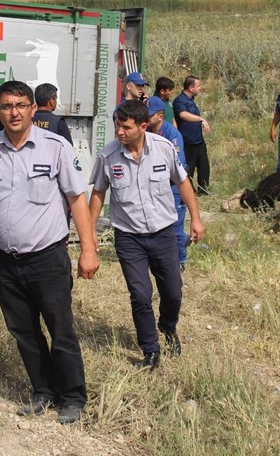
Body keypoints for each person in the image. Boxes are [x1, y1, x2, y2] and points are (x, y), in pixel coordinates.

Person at [0, 80, 99, 425]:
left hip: (48, 258)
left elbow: (77, 201)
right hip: (6, 259)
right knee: (23, 330)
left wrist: (89, 249)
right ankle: (43, 390)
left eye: (21, 105)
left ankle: (72, 397)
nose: (14, 112)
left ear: (33, 109)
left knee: (61, 329)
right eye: (7, 106)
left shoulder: (55, 147)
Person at [89, 99, 204, 371]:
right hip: (129, 237)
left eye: (126, 127)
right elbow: (98, 193)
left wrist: (196, 218)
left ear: (143, 126)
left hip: (163, 233)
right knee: (140, 295)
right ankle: (150, 350)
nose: (119, 132)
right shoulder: (108, 156)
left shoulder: (164, 148)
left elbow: (183, 181)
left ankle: (167, 327)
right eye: (117, 125)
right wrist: (90, 231)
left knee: (173, 292)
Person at [146, 96, 189, 270]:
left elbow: (179, 167)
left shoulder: (172, 134)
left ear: (160, 116)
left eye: (149, 115)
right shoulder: (147, 132)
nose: (146, 119)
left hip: (173, 185)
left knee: (175, 226)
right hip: (155, 185)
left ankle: (180, 261)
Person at [174, 76, 212, 195]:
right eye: (198, 86)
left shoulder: (191, 100)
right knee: (188, 169)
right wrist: (201, 119)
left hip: (198, 141)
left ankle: (204, 190)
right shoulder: (180, 101)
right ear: (191, 88)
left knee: (204, 166)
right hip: (187, 142)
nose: (200, 88)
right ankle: (188, 191)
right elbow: (183, 115)